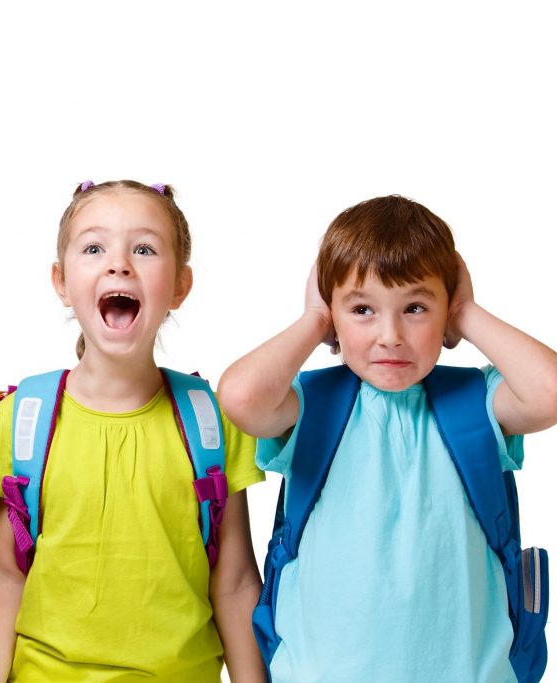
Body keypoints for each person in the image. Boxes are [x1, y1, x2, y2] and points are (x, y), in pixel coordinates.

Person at [216, 195, 557, 681]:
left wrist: (467, 313)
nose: (390, 334)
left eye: (415, 307)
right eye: (362, 309)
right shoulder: (312, 405)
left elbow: (550, 390)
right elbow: (241, 396)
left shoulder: (476, 402)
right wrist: (314, 322)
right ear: (332, 312)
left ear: (446, 312)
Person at [0, 181, 267, 682]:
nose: (119, 264)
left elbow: (235, 583)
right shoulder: (22, 419)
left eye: (145, 249)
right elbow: (4, 576)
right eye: (94, 247)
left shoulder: (213, 422)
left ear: (180, 286)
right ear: (61, 281)